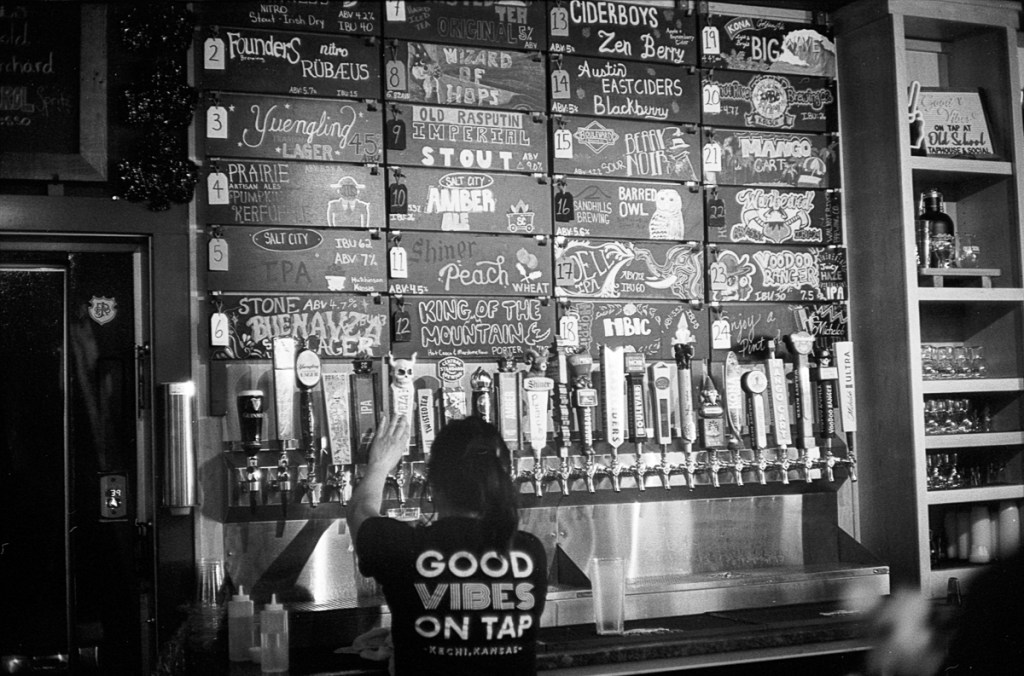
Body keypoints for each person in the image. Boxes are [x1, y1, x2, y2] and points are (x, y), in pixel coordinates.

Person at [347, 415, 548, 676]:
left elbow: (360, 510)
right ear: (500, 480)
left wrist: (379, 464)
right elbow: (477, 628)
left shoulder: (402, 546)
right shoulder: (530, 551)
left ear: (434, 484)